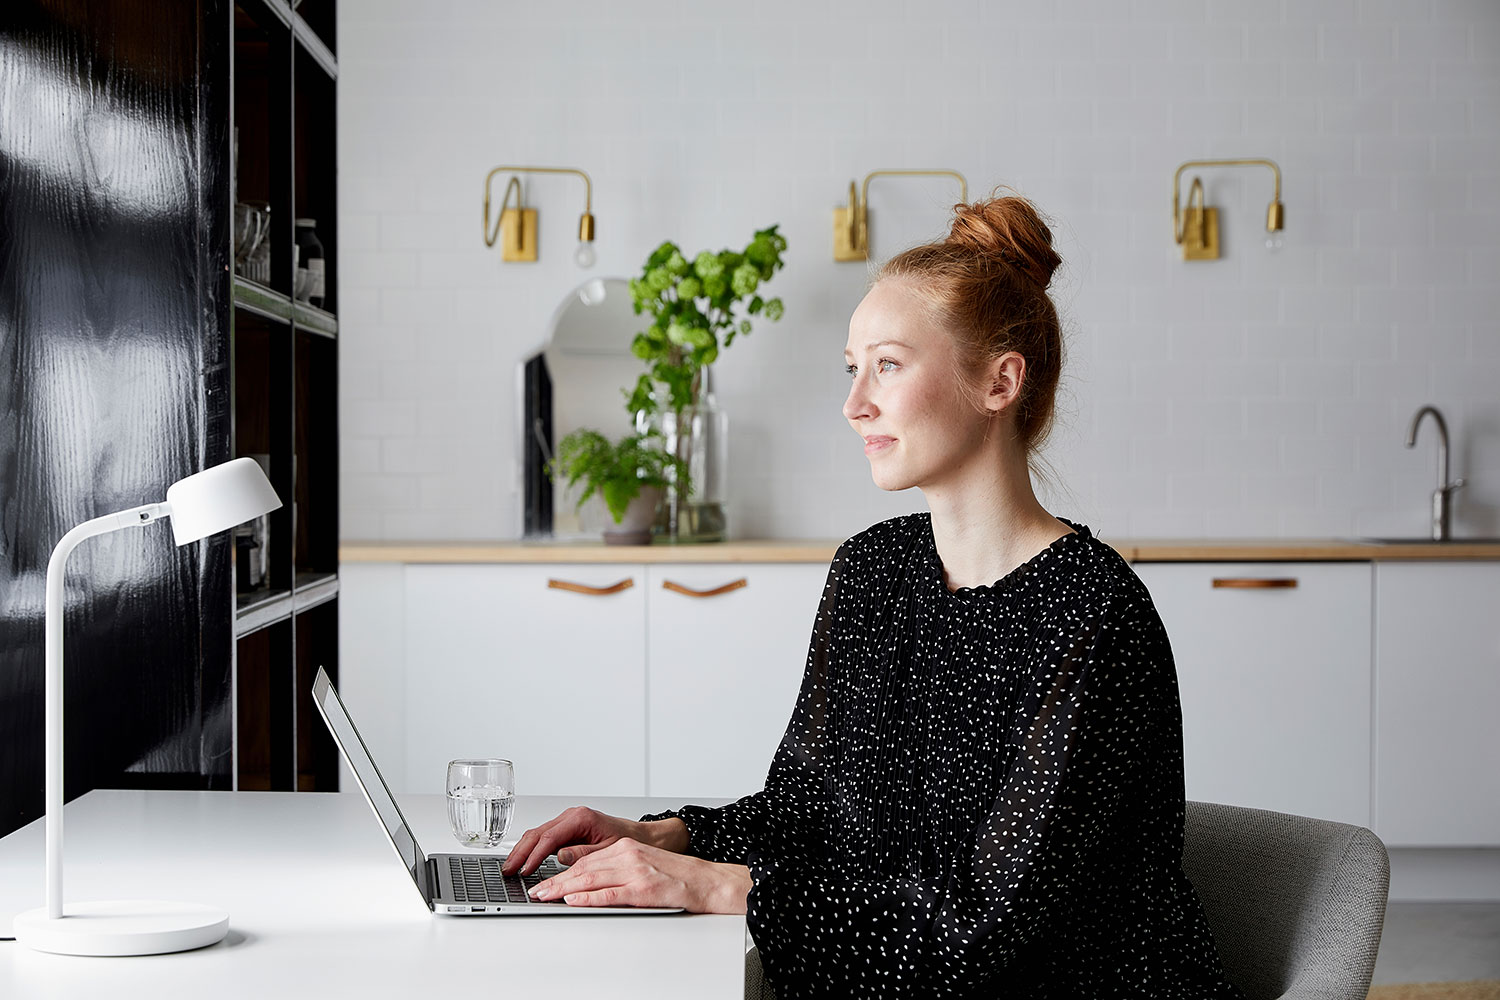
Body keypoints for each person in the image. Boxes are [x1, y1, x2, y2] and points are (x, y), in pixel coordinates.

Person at [504, 194, 1243, 998]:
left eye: (887, 365)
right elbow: (808, 811)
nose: (855, 404)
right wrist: (661, 835)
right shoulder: (871, 572)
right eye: (853, 369)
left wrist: (713, 887)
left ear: (1000, 382)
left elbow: (977, 932)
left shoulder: (1094, 615)